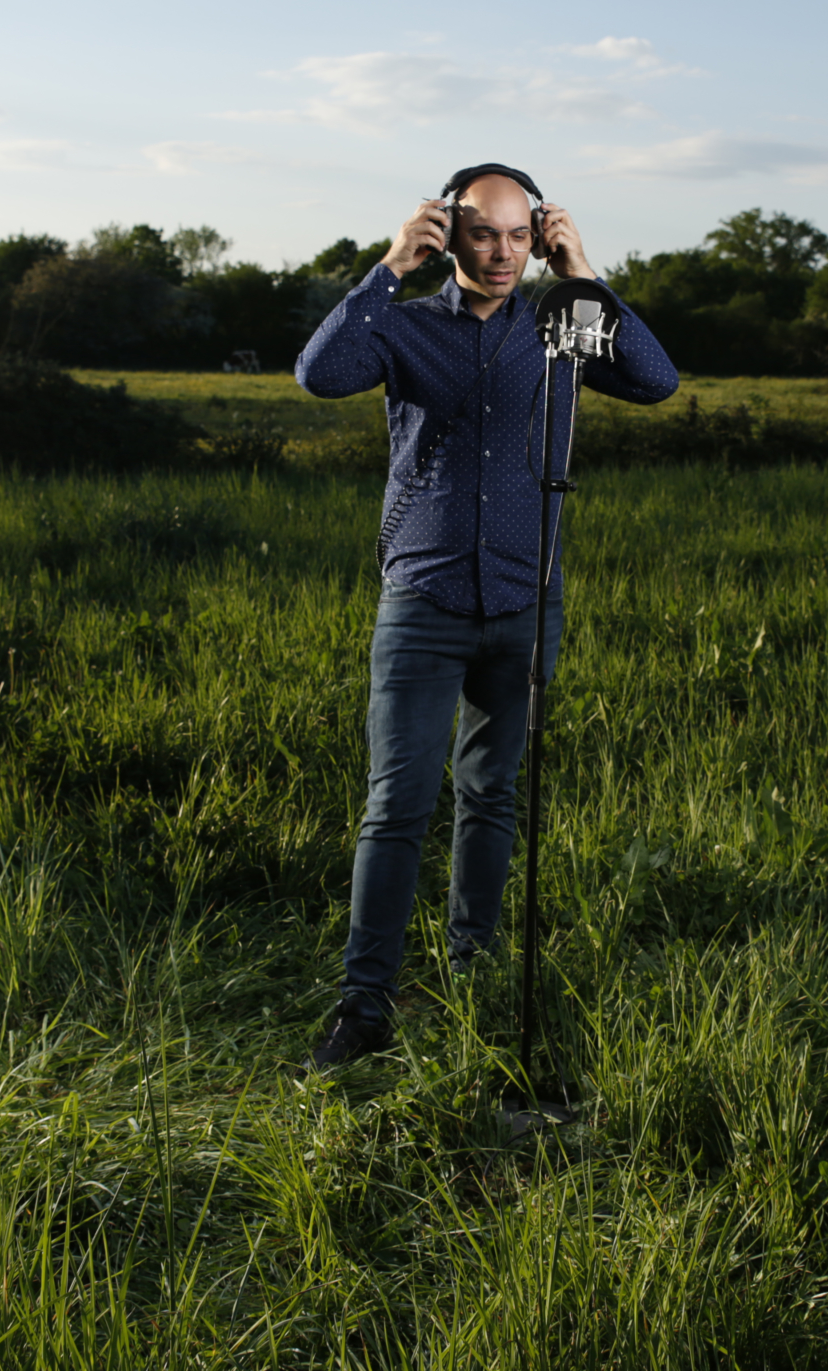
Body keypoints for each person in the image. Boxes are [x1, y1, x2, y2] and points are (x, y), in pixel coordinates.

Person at [290, 164, 680, 1072]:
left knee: (490, 796)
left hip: (523, 596)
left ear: (535, 233)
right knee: (397, 805)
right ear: (447, 233)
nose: (501, 254)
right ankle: (365, 1004)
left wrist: (582, 270)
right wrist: (389, 266)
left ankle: (473, 970)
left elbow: (655, 381)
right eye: (481, 234)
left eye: (517, 236)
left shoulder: (562, 328)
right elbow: (320, 374)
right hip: (423, 599)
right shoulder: (405, 325)